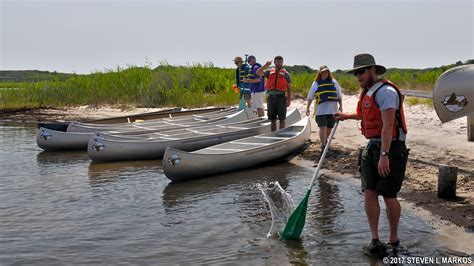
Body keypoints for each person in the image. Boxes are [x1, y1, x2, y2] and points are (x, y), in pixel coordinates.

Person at [336, 53, 409, 257]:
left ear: (373, 71)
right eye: (356, 72)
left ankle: (393, 238)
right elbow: (363, 114)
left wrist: (384, 155)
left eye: (361, 71)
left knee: (388, 194)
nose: (358, 75)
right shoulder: (368, 92)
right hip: (372, 146)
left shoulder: (385, 92)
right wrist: (345, 116)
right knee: (369, 191)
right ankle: (375, 239)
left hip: (391, 148)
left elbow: (388, 126)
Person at [306, 65, 343, 151]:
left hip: (332, 109)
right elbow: (310, 97)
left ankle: (325, 141)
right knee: (323, 127)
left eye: (326, 71)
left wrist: (341, 106)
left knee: (329, 127)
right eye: (323, 72)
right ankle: (323, 145)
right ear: (320, 73)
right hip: (320, 110)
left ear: (328, 72)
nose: (325, 73)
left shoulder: (334, 82)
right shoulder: (315, 83)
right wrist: (307, 107)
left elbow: (339, 95)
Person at [256, 55, 292, 131]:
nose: (279, 63)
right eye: (278, 61)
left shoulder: (286, 73)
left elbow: (289, 88)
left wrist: (289, 100)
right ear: (275, 62)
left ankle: (281, 135)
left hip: (281, 98)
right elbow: (258, 72)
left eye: (281, 61)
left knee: (282, 119)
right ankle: (273, 134)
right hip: (271, 98)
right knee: (272, 120)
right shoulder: (269, 72)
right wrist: (266, 65)